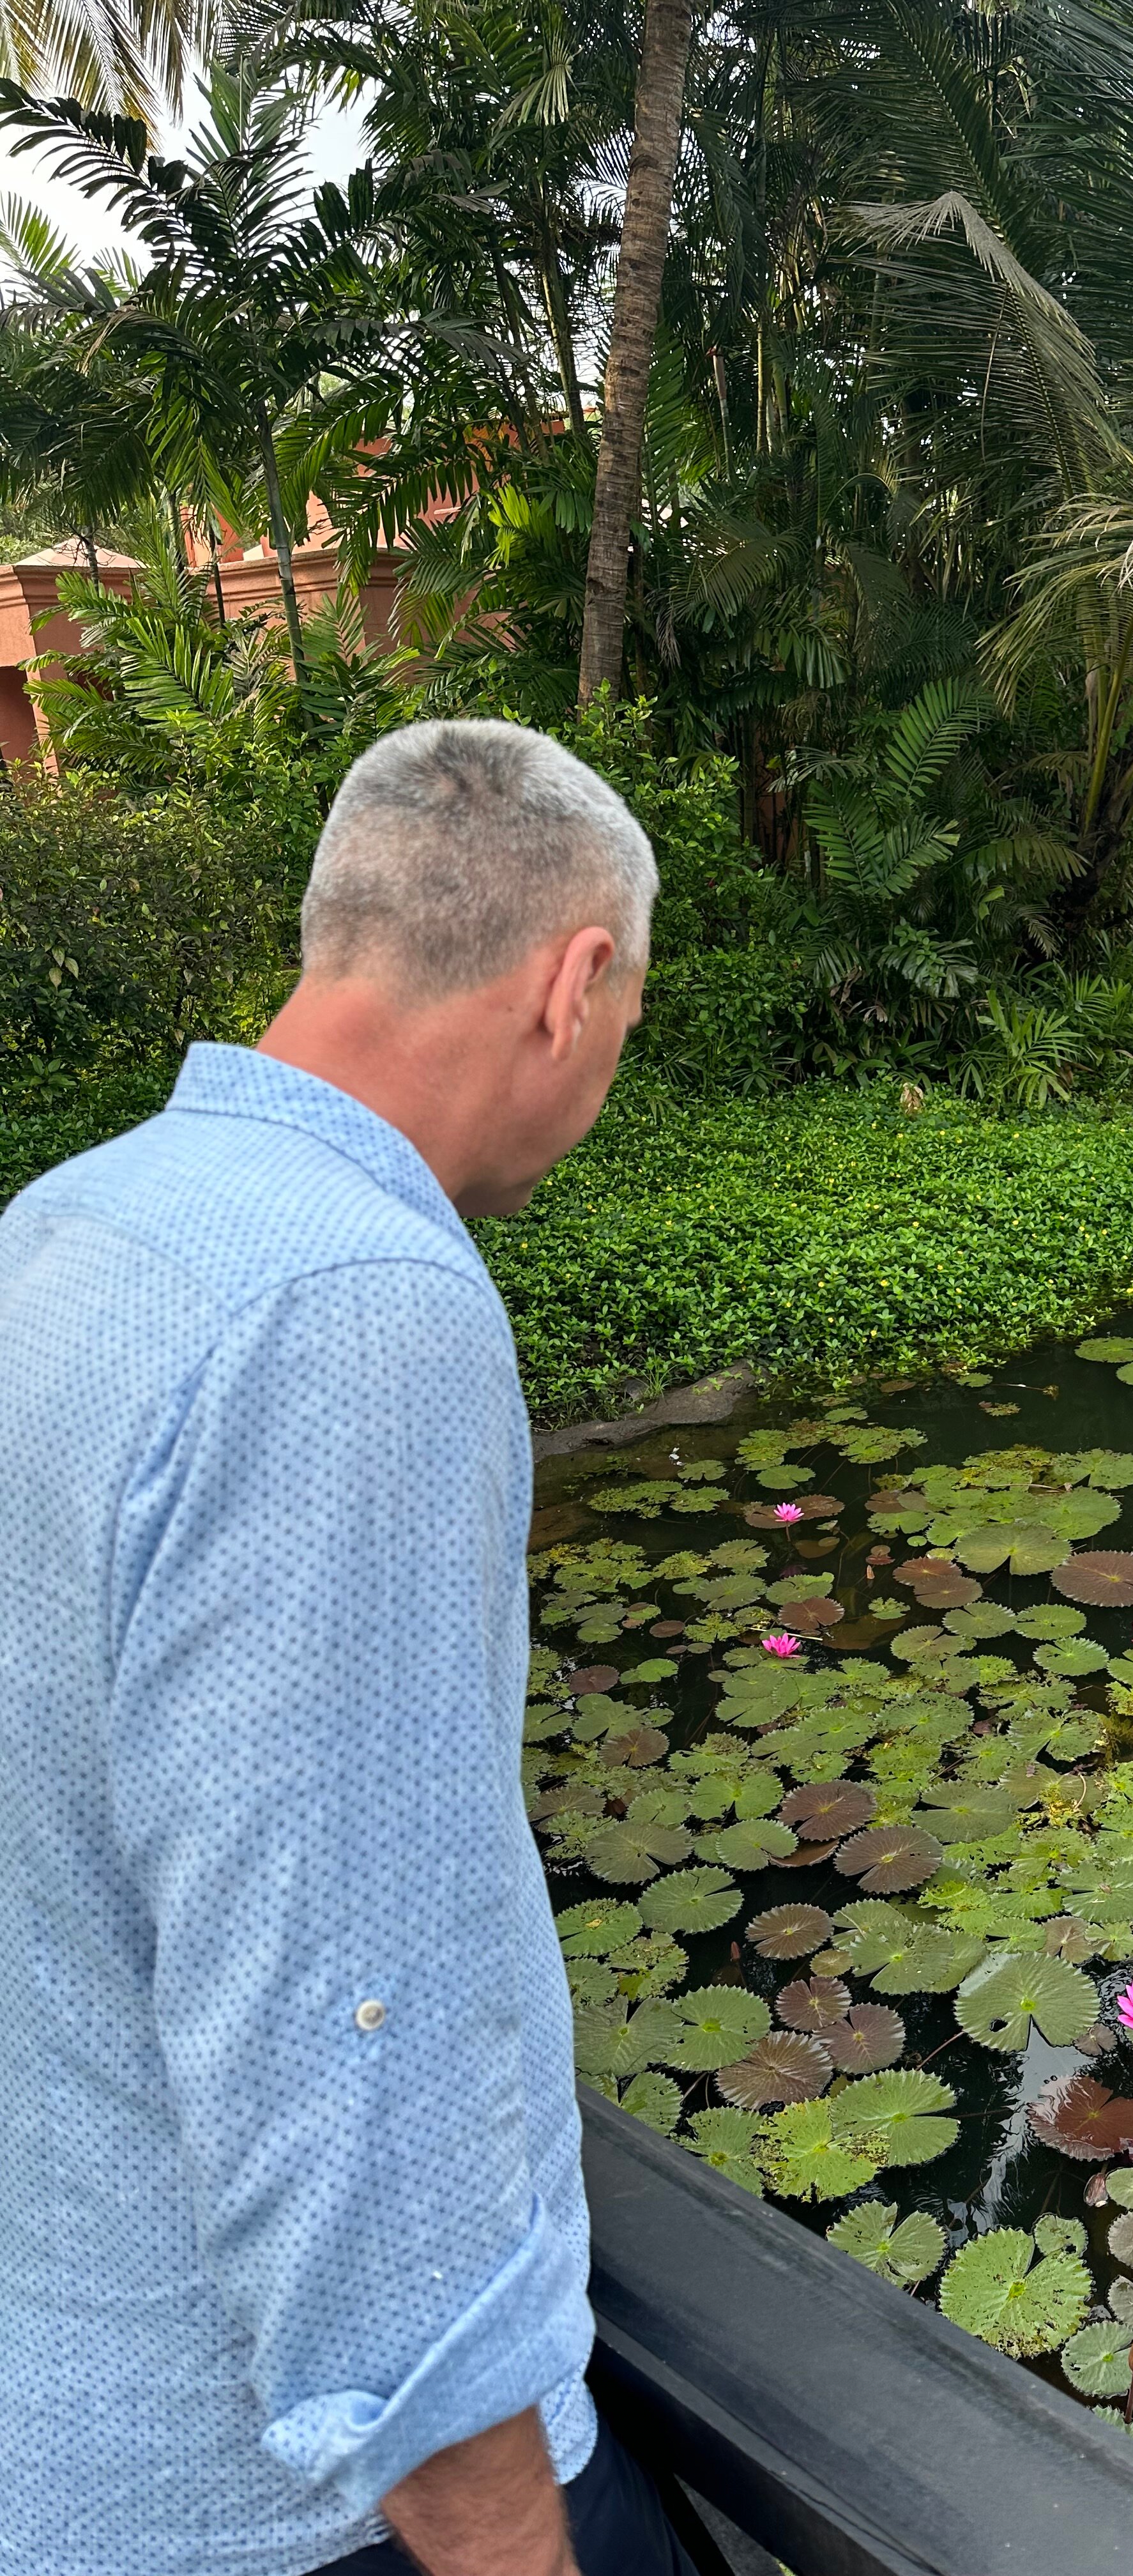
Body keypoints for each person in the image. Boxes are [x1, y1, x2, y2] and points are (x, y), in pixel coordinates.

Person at [0, 722, 698, 2576]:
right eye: (629, 1022)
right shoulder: (352, 1312)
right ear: (577, 982)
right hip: (295, 2504)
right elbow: (342, 2019)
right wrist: (499, 2549)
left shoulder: (72, 1222)